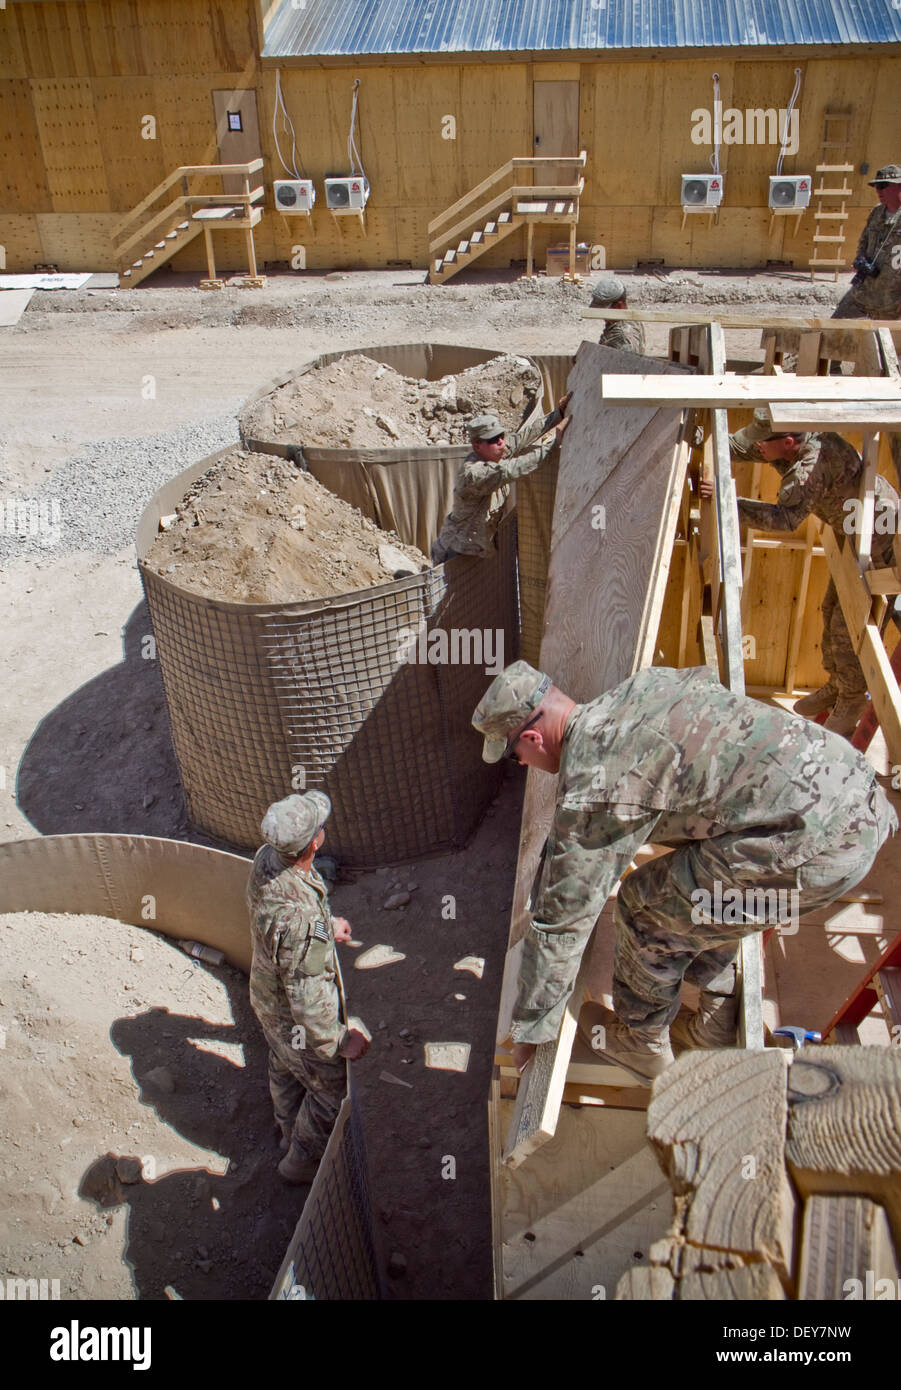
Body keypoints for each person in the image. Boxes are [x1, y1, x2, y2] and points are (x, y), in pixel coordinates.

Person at [472, 661, 896, 1085]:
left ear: (531, 736)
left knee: (644, 909)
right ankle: (713, 1021)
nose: (523, 764)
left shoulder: (594, 787)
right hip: (856, 790)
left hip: (819, 848)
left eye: (515, 755)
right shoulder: (643, 685)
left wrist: (531, 1028)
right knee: (701, 884)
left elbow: (563, 920)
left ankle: (640, 1040)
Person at [719, 410, 900, 736]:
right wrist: (712, 443)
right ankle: (837, 684)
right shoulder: (795, 437)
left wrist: (727, 501)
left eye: (761, 443)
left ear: (788, 443)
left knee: (850, 626)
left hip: (878, 541)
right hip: (855, 529)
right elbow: (744, 446)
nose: (756, 447)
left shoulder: (809, 470)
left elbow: (784, 520)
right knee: (830, 608)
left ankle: (851, 698)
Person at [247, 790, 369, 1184]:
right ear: (314, 842)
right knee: (331, 1089)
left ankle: (286, 1132)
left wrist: (326, 928)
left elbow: (288, 924)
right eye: (319, 825)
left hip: (269, 1001)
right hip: (292, 1014)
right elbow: (307, 997)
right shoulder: (297, 923)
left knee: (284, 1064)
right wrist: (335, 1041)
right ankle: (297, 1163)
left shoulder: (268, 861)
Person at [431, 396, 572, 564]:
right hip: (456, 554)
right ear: (477, 446)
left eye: (501, 436)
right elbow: (513, 468)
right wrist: (554, 444)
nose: (500, 442)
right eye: (492, 439)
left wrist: (558, 414)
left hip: (476, 551)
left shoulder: (496, 452)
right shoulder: (475, 474)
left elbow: (522, 437)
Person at [832, 164, 901, 322]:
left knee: (887, 344)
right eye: (876, 186)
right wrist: (860, 259)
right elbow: (864, 241)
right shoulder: (877, 213)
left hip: (892, 299)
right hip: (864, 292)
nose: (878, 191)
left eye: (883, 186)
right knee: (834, 328)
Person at [589, 273, 646, 355]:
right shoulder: (628, 320)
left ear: (618, 306)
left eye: (602, 310)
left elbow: (624, 366)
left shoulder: (622, 338)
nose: (600, 315)